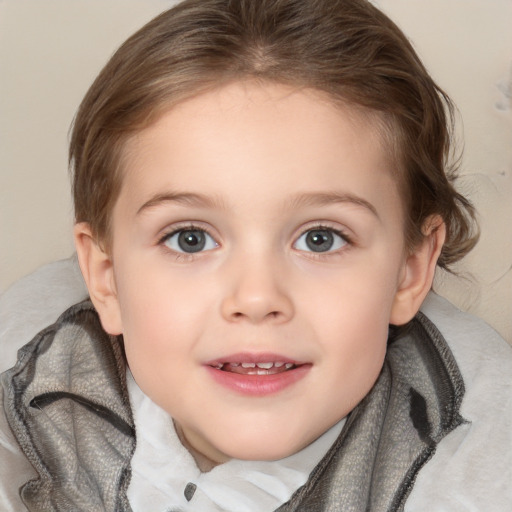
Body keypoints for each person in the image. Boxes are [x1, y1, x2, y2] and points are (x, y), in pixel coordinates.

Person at [1, 0, 511, 510]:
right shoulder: (25, 371)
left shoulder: (484, 466)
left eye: (321, 238)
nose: (257, 297)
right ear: (105, 279)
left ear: (410, 270)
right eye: (190, 239)